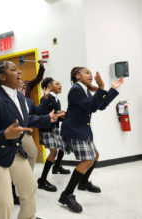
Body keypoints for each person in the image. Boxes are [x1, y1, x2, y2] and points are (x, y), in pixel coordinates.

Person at [0, 61, 55, 219]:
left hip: (12, 150)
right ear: (2, 77)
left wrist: (47, 119)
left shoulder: (18, 95)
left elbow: (24, 118)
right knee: (3, 202)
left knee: (30, 187)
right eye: (14, 70)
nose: (19, 72)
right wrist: (4, 134)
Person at [59, 67, 124, 213]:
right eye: (87, 73)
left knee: (95, 156)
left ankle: (83, 182)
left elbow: (99, 106)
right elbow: (91, 107)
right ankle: (67, 195)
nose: (90, 75)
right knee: (88, 160)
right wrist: (101, 87)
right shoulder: (76, 89)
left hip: (82, 129)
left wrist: (112, 89)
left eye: (90, 73)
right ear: (77, 76)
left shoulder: (85, 90)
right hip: (75, 130)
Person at [37, 77, 70, 192]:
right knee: (54, 151)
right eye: (57, 83)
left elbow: (56, 115)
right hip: (47, 129)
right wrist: (60, 114)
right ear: (49, 87)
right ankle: (42, 180)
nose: (60, 85)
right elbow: (43, 113)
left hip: (54, 128)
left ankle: (56, 167)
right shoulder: (46, 98)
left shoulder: (56, 99)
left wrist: (62, 115)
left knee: (63, 146)